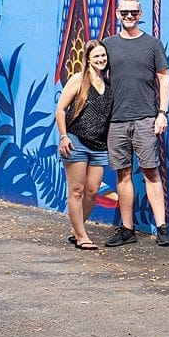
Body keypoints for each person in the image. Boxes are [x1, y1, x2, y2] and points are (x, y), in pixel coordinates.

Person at [100, 0, 169, 247]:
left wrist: (162, 113)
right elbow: (96, 76)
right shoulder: (107, 45)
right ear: (118, 14)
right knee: (123, 174)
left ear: (140, 14)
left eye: (133, 13)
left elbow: (164, 78)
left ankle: (162, 228)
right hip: (116, 120)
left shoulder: (153, 45)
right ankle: (127, 229)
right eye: (124, 12)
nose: (129, 16)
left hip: (145, 119)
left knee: (152, 172)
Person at [55, 40, 112, 250]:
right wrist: (64, 136)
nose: (100, 60)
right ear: (88, 58)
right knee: (77, 190)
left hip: (99, 146)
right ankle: (81, 236)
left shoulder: (108, 83)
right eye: (96, 56)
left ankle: (76, 228)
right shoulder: (78, 80)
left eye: (103, 56)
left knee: (92, 191)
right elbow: (61, 110)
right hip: (76, 143)